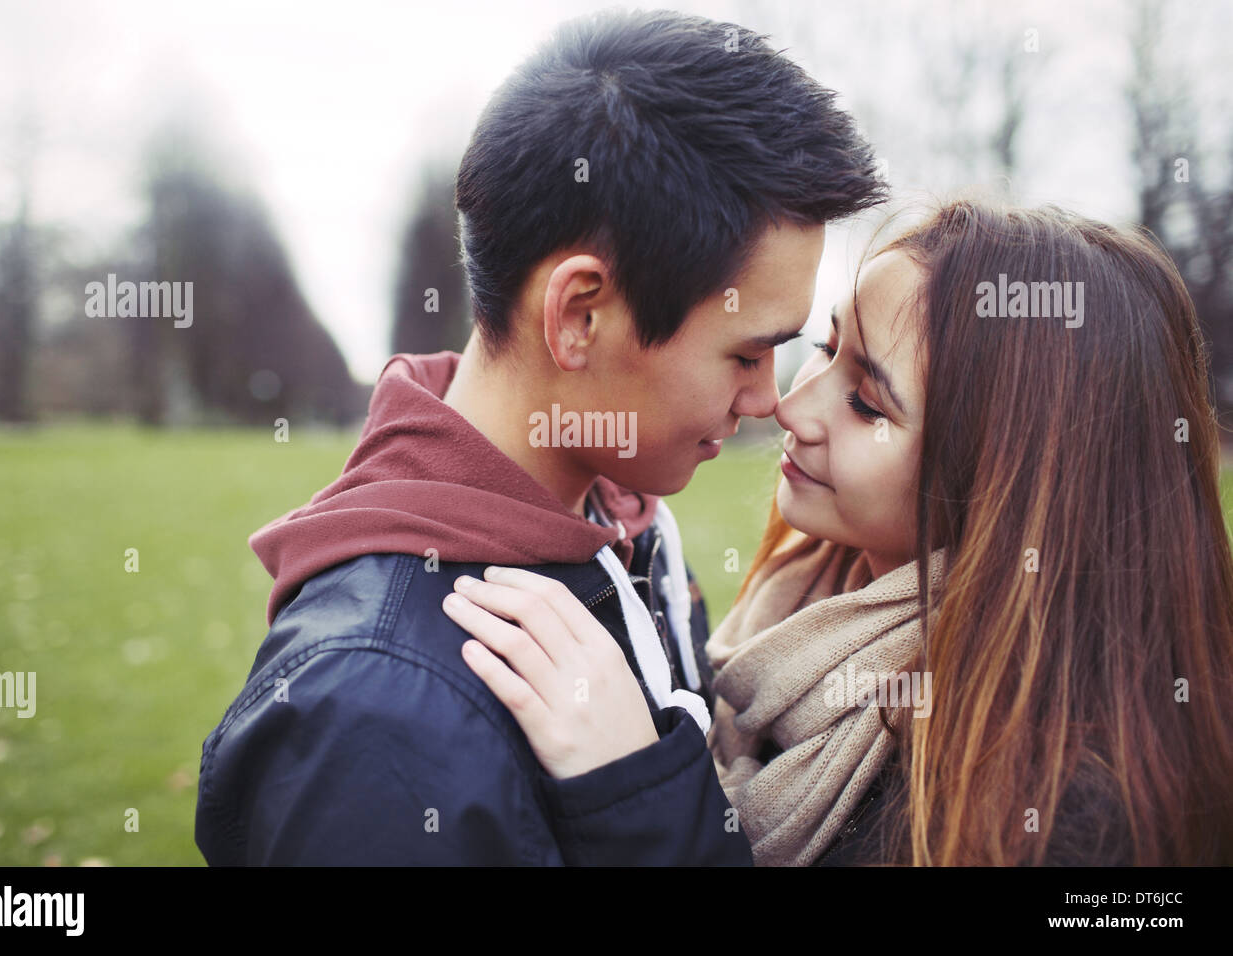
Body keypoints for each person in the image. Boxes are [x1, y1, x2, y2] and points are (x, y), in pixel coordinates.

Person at [194, 9, 886, 865]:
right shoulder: (375, 718)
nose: (765, 402)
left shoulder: (619, 518)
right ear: (580, 316)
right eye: (747, 354)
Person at [446, 197, 1233, 865]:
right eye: (825, 348)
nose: (791, 406)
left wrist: (636, 795)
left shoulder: (1070, 819)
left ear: (1008, 481)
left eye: (867, 401)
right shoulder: (798, 613)